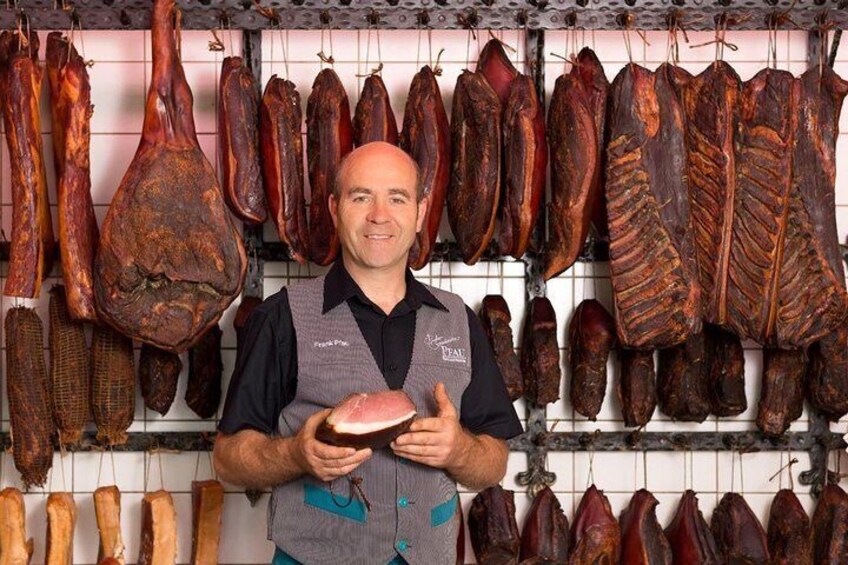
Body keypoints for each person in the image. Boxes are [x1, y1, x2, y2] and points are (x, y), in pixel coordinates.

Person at [213, 141, 523, 565]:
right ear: (335, 208)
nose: (380, 214)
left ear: (420, 213)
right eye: (362, 197)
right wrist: (294, 454)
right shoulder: (282, 317)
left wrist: (460, 451)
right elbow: (228, 460)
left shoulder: (458, 319)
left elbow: (495, 460)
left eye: (397, 198)